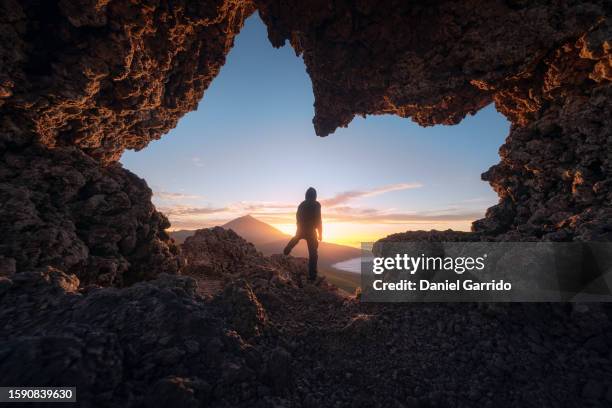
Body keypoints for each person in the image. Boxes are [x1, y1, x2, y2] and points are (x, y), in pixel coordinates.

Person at [283, 187, 323, 282]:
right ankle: (312, 276)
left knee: (296, 239)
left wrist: (299, 227)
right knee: (313, 254)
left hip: (301, 229)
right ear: (315, 196)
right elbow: (318, 219)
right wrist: (320, 233)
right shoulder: (316, 204)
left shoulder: (301, 204)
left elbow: (297, 216)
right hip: (311, 231)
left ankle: (286, 250)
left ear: (306, 195)